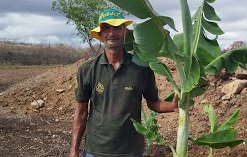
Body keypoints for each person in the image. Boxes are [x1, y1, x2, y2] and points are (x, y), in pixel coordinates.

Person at [70, 9, 178, 157]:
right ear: (100, 35)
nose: (112, 33)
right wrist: (74, 149)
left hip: (131, 151)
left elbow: (153, 103)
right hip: (95, 150)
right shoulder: (87, 69)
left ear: (125, 32)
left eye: (117, 28)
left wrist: (173, 106)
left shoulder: (142, 68)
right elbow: (81, 112)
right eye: (106, 28)